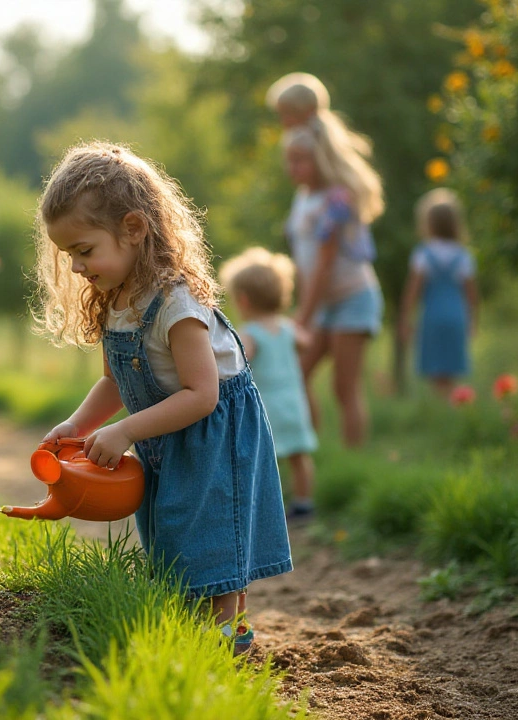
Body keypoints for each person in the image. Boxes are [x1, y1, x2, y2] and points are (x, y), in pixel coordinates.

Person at [33, 141, 291, 656]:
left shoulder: (177, 303)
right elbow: (113, 383)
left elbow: (202, 394)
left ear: (133, 229)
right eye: (69, 256)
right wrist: (79, 424)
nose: (79, 267)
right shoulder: (115, 301)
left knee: (215, 546)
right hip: (165, 437)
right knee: (174, 540)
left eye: (85, 250)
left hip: (213, 436)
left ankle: (230, 646)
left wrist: (127, 430)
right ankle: (193, 637)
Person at [282, 114, 385, 449]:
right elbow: (305, 262)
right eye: (290, 160)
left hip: (352, 298)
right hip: (322, 302)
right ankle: (310, 452)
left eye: (300, 160)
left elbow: (324, 266)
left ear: (321, 159)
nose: (292, 168)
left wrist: (303, 318)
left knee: (345, 386)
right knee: (297, 375)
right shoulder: (302, 198)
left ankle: (354, 457)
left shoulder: (336, 199)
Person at [221, 248, 318, 520]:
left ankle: (263, 508)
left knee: (263, 458)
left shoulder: (249, 333)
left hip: (267, 406)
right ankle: (304, 503)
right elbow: (307, 342)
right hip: (294, 402)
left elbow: (240, 360)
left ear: (243, 300)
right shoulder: (287, 327)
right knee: (299, 456)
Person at [399, 188, 479, 394]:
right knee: (452, 370)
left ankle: (443, 411)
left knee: (435, 372)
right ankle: (454, 408)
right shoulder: (463, 255)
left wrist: (405, 319)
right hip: (456, 315)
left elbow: (413, 292)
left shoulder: (423, 254)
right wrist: (473, 322)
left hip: (432, 316)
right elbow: (471, 294)